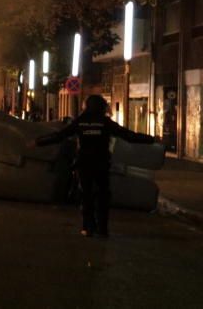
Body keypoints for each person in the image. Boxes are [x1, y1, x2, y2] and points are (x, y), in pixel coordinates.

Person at [33, 94, 155, 237]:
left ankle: (88, 227)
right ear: (102, 106)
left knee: (86, 195)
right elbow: (129, 136)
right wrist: (151, 139)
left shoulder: (80, 122)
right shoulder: (105, 122)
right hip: (101, 163)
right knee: (103, 195)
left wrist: (38, 142)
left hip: (84, 163)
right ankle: (103, 229)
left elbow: (60, 136)